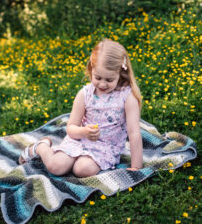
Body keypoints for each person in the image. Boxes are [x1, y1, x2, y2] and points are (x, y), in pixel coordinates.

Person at [19, 39, 143, 177]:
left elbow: (134, 133)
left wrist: (136, 167)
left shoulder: (127, 97)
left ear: (121, 74)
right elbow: (71, 128)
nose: (102, 84)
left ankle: (75, 161)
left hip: (106, 148)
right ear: (91, 70)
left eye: (109, 80)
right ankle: (41, 147)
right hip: (79, 139)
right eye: (98, 77)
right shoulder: (85, 94)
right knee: (56, 167)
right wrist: (84, 132)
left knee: (82, 170)